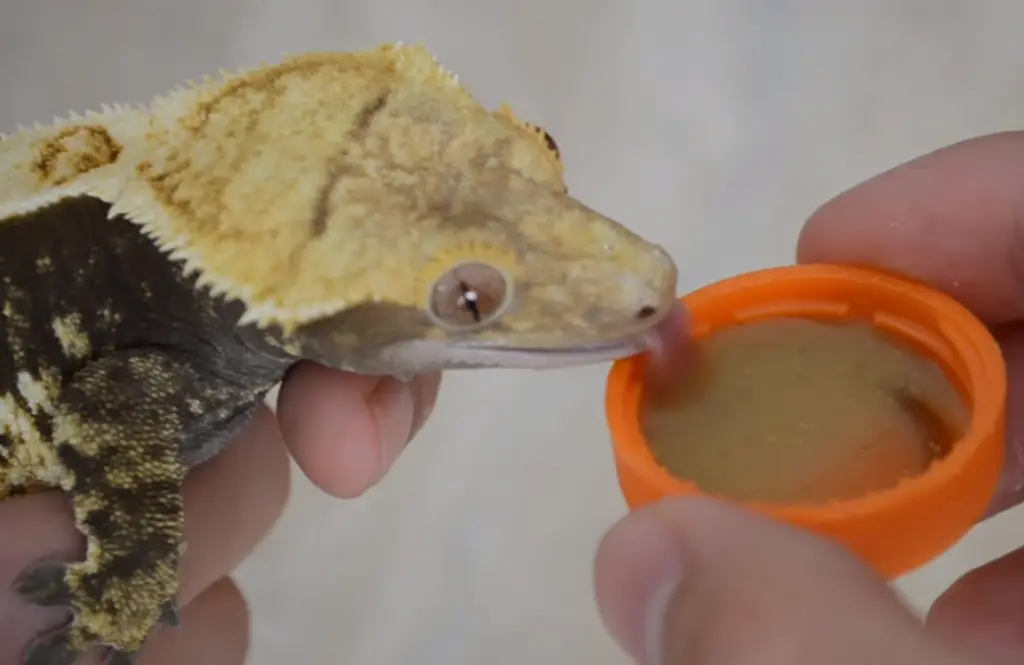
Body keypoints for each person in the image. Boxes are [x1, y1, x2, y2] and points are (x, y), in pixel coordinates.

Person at [2, 133, 1022, 664]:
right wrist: (127, 575)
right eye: (474, 298)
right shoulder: (144, 347)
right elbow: (111, 404)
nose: (639, 281)